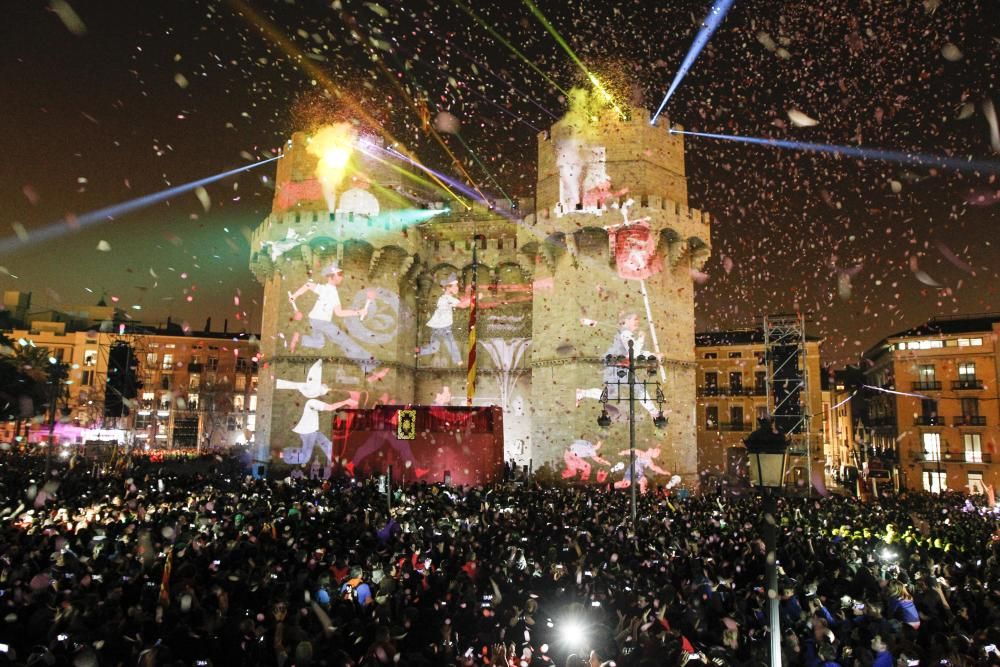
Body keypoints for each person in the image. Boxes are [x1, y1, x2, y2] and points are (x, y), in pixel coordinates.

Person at [288, 262, 375, 371]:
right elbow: (339, 313)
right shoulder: (331, 291)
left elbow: (308, 285)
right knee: (344, 340)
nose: (341, 277)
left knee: (319, 343)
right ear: (332, 276)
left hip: (314, 321)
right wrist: (358, 312)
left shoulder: (325, 289)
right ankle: (368, 364)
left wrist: (294, 296)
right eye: (339, 275)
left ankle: (299, 338)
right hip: (322, 322)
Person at [576, 312, 659, 415]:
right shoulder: (626, 334)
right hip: (618, 367)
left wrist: (653, 355)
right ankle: (654, 412)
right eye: (635, 319)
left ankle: (582, 393)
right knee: (638, 388)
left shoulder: (624, 333)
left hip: (614, 366)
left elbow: (634, 353)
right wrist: (642, 339)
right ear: (627, 321)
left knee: (609, 393)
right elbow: (634, 353)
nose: (638, 322)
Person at [415, 274, 470, 366]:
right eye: (455, 286)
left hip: (437, 326)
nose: (457, 288)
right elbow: (463, 305)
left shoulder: (444, 298)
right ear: (448, 288)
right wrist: (474, 298)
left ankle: (418, 350)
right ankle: (458, 360)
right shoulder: (447, 298)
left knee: (434, 347)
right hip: (443, 326)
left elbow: (461, 303)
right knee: (451, 343)